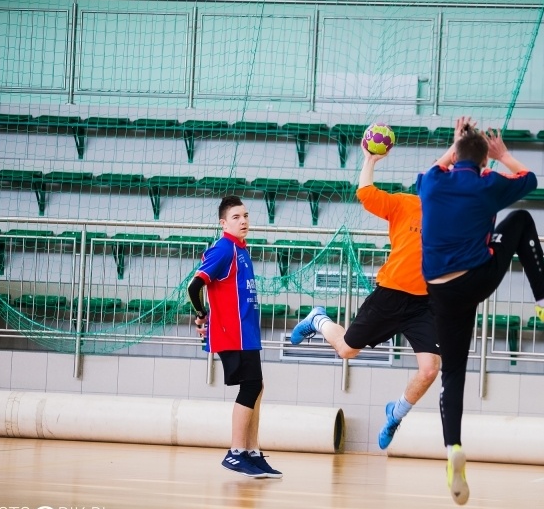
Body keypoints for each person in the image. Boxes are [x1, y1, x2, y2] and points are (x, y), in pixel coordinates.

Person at [418, 117, 544, 505]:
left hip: (440, 293)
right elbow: (529, 179)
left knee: (453, 375)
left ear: (455, 156)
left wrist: (455, 143)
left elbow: (438, 166)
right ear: (483, 162)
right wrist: (504, 154)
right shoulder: (487, 184)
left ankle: (451, 449)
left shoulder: (432, 182)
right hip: (476, 278)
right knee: (521, 219)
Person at [290, 142, 441, 450]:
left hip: (423, 304)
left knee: (430, 368)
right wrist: (370, 160)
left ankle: (395, 415)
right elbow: (366, 193)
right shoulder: (404, 204)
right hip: (390, 294)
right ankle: (317, 319)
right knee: (347, 351)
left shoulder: (453, 220)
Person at [187, 195, 282, 479]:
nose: (244, 221)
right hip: (232, 333)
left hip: (247, 332)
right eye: (237, 217)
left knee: (258, 386)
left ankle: (252, 452)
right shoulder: (223, 249)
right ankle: (236, 452)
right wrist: (202, 314)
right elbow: (194, 286)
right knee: (251, 386)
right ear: (223, 223)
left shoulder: (242, 249)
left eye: (246, 216)